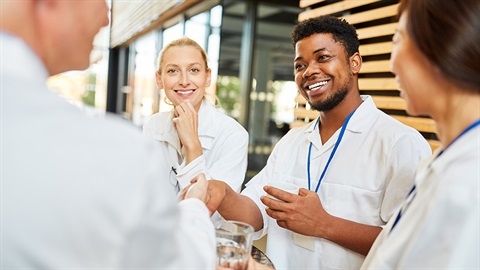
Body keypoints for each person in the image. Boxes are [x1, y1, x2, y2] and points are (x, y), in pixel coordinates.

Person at [1, 0, 216, 268]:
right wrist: (194, 206)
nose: (106, 18)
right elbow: (183, 261)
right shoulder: (114, 153)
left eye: (194, 70)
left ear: (207, 77)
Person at [206, 15, 432, 269]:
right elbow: (255, 214)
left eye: (323, 57)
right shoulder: (292, 142)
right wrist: (222, 193)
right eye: (300, 65)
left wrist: (324, 224)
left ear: (354, 62)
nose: (309, 71)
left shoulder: (399, 143)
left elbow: (414, 244)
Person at [361, 0, 480, 268]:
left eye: (398, 39)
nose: (391, 65)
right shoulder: (446, 162)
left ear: (442, 46)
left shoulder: (469, 183)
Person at [143, 37, 248, 227]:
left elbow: (208, 213)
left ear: (207, 77)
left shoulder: (233, 135)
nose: (184, 81)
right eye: (173, 71)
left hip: (205, 244)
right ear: (159, 79)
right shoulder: (153, 126)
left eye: (194, 70)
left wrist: (192, 145)